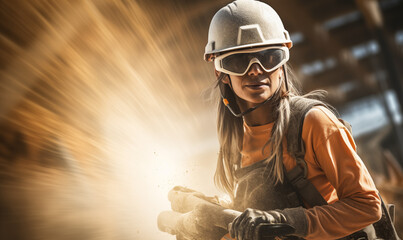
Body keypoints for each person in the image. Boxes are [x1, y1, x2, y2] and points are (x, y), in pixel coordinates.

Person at [202, 0, 389, 239]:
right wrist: (213, 217)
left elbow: (367, 206)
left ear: (282, 63)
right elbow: (257, 212)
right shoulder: (235, 140)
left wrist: (287, 221)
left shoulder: (312, 123)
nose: (255, 70)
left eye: (268, 57)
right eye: (239, 61)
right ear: (221, 72)